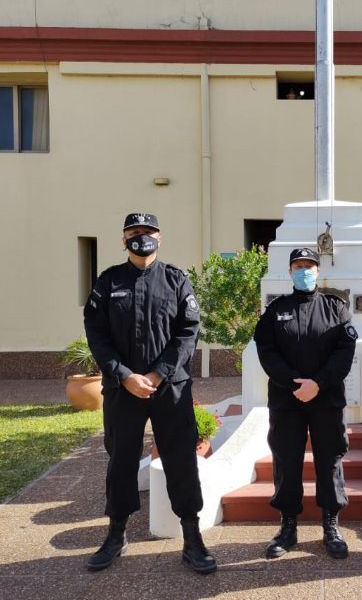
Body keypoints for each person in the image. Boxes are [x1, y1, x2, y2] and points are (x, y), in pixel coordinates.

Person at [83, 212, 216, 574]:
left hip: (169, 387)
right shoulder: (108, 282)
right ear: (124, 238)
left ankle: (192, 538)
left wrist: (158, 374)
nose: (142, 237)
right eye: (134, 232)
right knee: (121, 459)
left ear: (161, 237)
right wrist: (124, 375)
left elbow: (188, 332)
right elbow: (96, 333)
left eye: (148, 231)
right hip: (122, 389)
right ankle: (116, 534)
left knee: (181, 461)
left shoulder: (176, 280)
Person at [253, 247, 358, 559]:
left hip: (326, 399)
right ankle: (288, 526)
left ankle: (331, 524)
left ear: (317, 269)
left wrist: (319, 383)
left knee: (330, 459)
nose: (304, 270)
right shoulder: (276, 310)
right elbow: (267, 350)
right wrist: (294, 383)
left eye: (309, 265)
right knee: (286, 460)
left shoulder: (335, 307)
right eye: (298, 265)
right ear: (289, 271)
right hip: (288, 399)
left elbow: (345, 350)